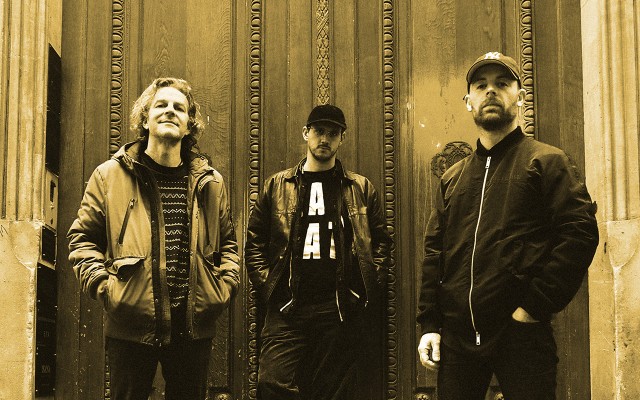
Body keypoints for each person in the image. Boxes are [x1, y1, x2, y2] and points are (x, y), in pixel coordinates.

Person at [416, 52, 599, 399]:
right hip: (458, 338)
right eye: (480, 85)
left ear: (520, 97)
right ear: (468, 101)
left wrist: (532, 308)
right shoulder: (453, 178)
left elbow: (579, 234)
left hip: (521, 336)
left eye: (502, 83)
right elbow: (435, 252)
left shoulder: (546, 161)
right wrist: (430, 324)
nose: (491, 91)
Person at [67, 77, 239, 400]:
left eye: (179, 108)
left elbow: (228, 244)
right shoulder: (109, 176)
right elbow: (82, 240)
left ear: (189, 126)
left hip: (192, 327)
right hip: (131, 325)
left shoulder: (211, 182)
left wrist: (223, 287)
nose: (170, 111)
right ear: (145, 120)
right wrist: (107, 289)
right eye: (161, 105)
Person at [245, 104, 392, 399]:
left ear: (342, 138)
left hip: (338, 307)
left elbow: (381, 243)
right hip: (288, 306)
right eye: (319, 131)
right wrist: (270, 286)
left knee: (332, 391)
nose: (325, 139)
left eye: (333, 133)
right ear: (306, 133)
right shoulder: (277, 185)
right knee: (271, 382)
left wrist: (363, 288)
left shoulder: (360, 188)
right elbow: (254, 242)